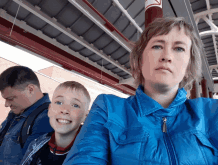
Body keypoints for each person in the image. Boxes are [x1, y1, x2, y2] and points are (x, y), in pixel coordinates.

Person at [63, 17, 218, 165]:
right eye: (157, 46)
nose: (167, 56)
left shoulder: (211, 112)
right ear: (140, 60)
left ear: (189, 67)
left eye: (179, 48)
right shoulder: (109, 108)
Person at [20, 81, 90, 165]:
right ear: (49, 110)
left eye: (75, 105)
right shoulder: (36, 145)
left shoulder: (90, 154)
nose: (64, 110)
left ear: (86, 116)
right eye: (59, 102)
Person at [0, 66, 53, 165]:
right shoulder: (15, 113)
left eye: (10, 98)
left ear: (30, 89)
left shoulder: (47, 118)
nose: (6, 104)